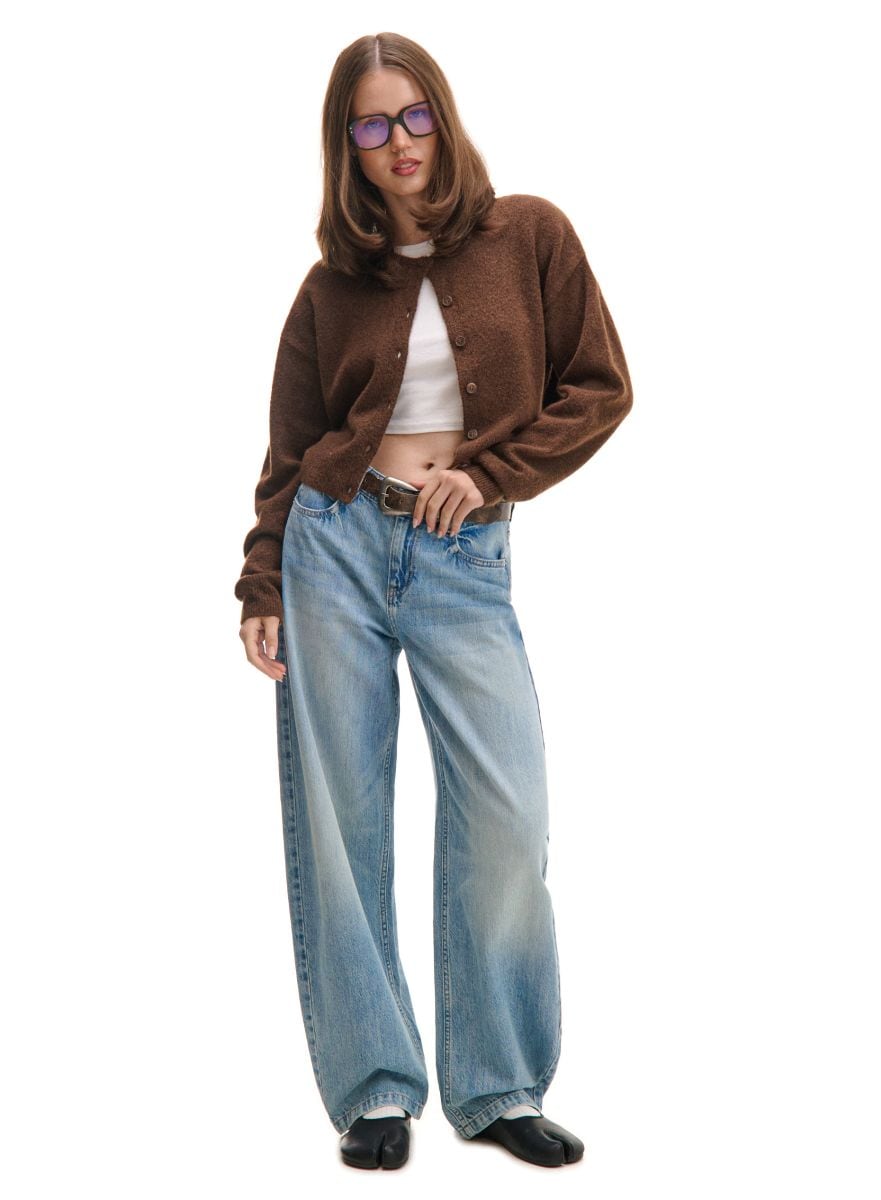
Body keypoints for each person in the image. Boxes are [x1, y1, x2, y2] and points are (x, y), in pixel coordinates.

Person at [235, 31, 633, 1170]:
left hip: (463, 560)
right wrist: (261, 577)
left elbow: (600, 386)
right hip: (334, 549)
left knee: (507, 817)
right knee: (342, 821)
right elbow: (291, 450)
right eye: (371, 125)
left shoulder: (530, 235)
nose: (399, 141)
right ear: (347, 147)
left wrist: (493, 473)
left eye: (413, 115)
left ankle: (499, 1085)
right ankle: (375, 1088)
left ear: (442, 117)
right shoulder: (329, 289)